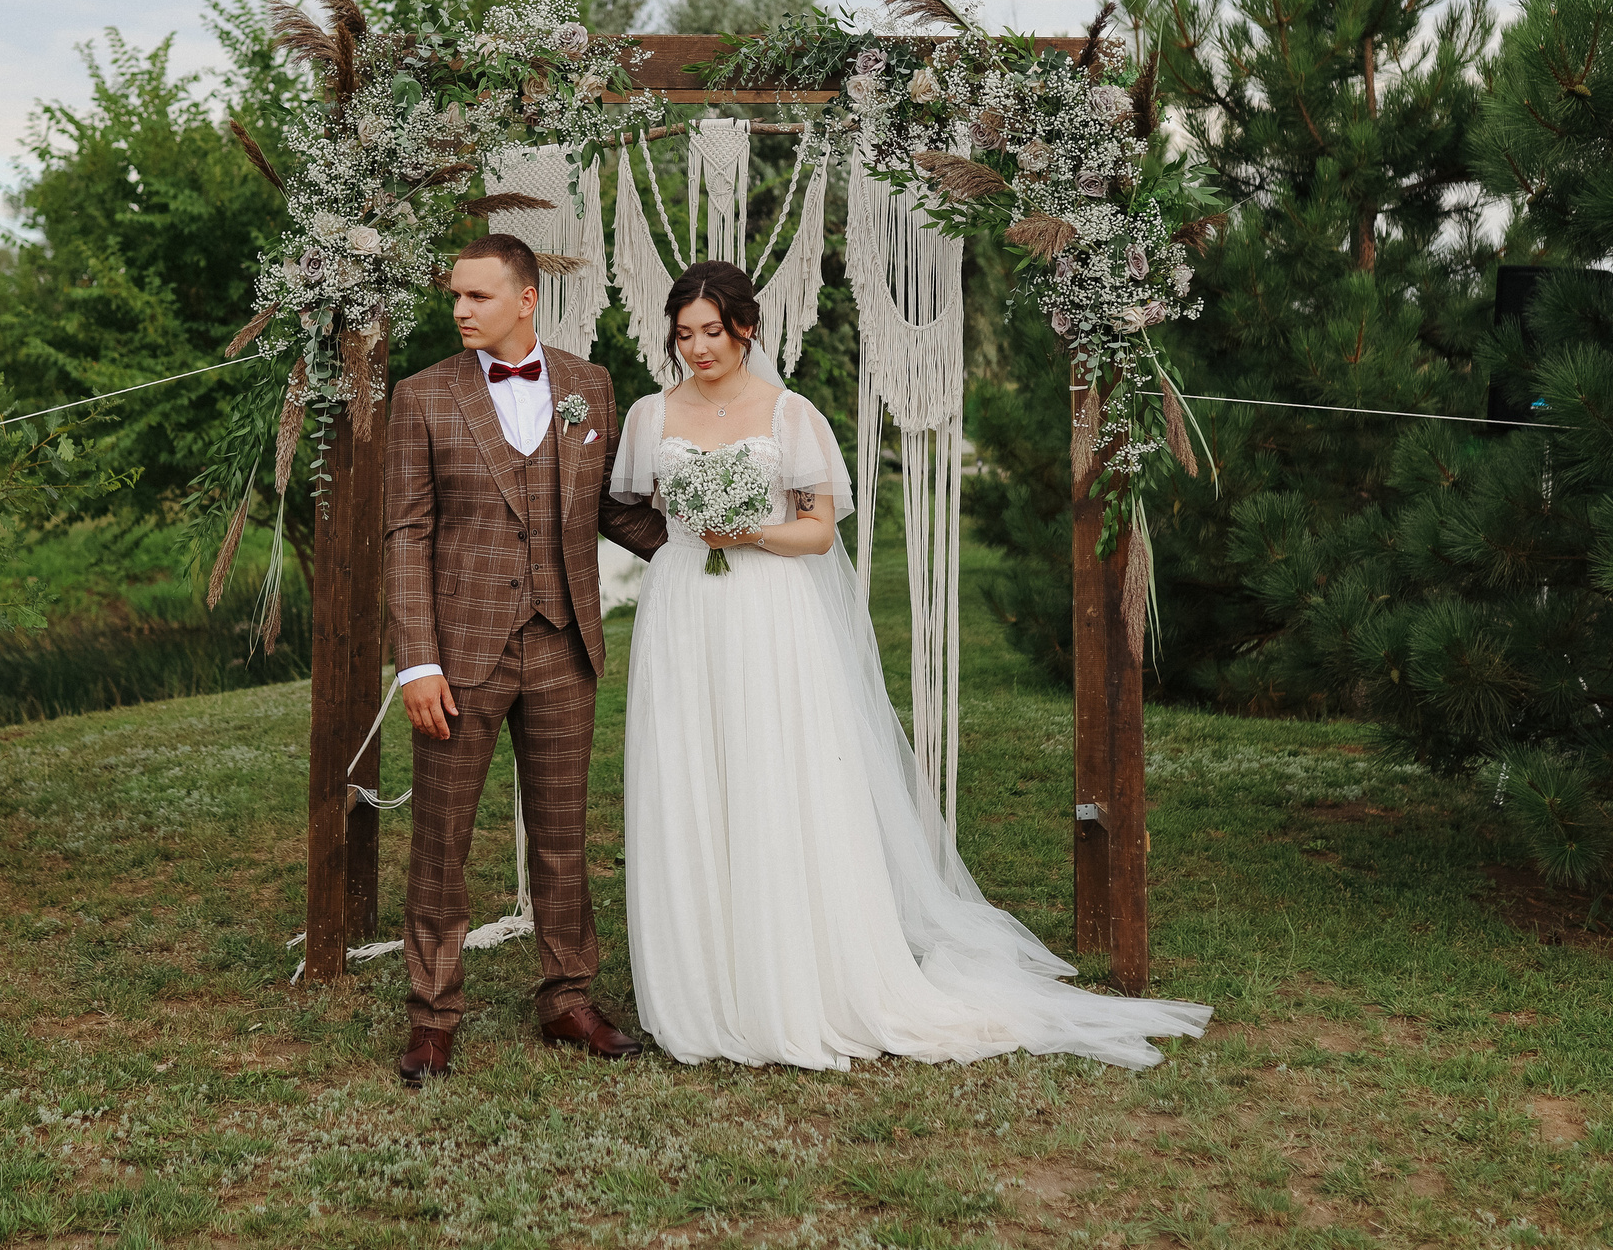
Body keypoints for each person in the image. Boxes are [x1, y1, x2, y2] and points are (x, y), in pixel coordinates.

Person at [611, 261, 1212, 1071]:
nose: (696, 348)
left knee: (772, 773)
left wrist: (743, 532)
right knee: (690, 775)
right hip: (684, 610)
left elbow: (819, 530)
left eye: (710, 332)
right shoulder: (652, 414)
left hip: (769, 609)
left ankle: (790, 976)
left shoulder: (791, 415)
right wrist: (694, 543)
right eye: (683, 335)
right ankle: (703, 983)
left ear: (745, 328)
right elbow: (637, 507)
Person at [384, 234, 668, 1086]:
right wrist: (417, 662)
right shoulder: (422, 395)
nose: (460, 310)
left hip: (563, 644)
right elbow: (408, 533)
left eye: (476, 296)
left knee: (563, 835)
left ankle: (567, 995)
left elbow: (612, 509)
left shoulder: (589, 386)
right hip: (461, 653)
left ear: (525, 298)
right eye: (455, 298)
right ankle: (433, 1016)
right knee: (441, 841)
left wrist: (707, 547)